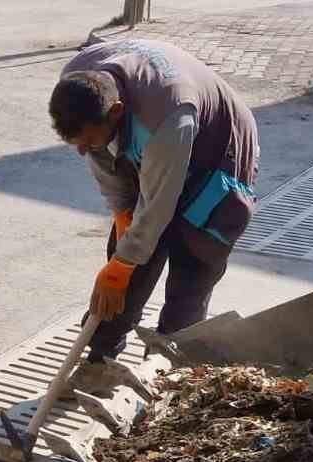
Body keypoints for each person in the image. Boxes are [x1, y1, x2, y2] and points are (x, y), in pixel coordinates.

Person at [49, 39, 260, 363]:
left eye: (88, 139)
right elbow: (103, 158)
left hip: (216, 151)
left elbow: (158, 205)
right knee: (127, 263)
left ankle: (169, 372)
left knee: (191, 268)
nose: (80, 149)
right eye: (74, 141)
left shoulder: (167, 116)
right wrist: (122, 218)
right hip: (153, 132)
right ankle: (99, 363)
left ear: (116, 112)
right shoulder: (79, 83)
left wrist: (125, 261)